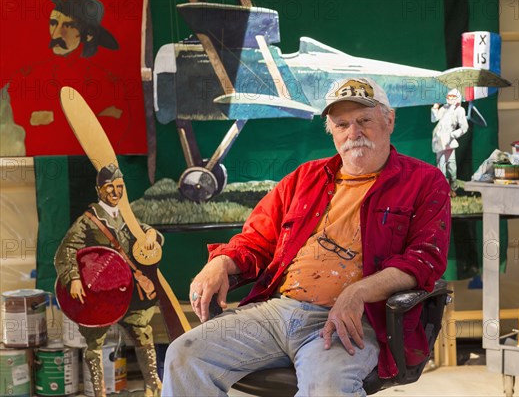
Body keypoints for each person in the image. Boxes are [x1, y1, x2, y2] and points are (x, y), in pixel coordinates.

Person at [163, 77, 451, 396]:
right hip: (278, 310)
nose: (353, 133)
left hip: (354, 319)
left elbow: (424, 261)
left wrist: (358, 292)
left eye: (364, 120)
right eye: (341, 124)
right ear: (331, 131)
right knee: (184, 356)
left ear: (390, 120)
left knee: (327, 387)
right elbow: (255, 240)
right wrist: (219, 263)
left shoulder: (425, 182)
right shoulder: (304, 178)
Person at [54, 164, 162, 397]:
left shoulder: (127, 216)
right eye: (109, 187)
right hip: (98, 296)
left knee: (143, 332)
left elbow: (143, 232)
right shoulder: (88, 221)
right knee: (95, 344)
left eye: (119, 187)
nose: (115, 192)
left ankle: (153, 385)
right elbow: (66, 251)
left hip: (128, 290)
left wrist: (152, 234)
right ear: (99, 190)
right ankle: (99, 392)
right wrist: (73, 278)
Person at [5, 0, 130, 155]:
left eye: (68, 25)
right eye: (53, 23)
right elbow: (27, 123)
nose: (57, 33)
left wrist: (51, 118)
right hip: (46, 165)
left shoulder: (109, 83)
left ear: (88, 35)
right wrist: (89, 119)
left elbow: (112, 131)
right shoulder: (26, 78)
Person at [431, 88, 469, 194]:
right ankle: (442, 190)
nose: (450, 99)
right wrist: (435, 107)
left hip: (449, 141)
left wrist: (453, 134)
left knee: (452, 168)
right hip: (439, 140)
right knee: (441, 166)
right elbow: (434, 119)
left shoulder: (460, 110)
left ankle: (453, 188)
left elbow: (464, 127)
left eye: (453, 97)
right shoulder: (444, 108)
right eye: (449, 96)